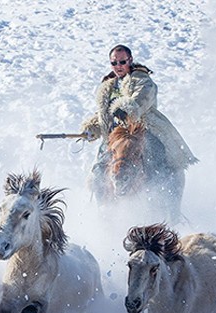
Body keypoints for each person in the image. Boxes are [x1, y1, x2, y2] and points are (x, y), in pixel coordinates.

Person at [80, 45, 197, 220]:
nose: (118, 66)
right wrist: (92, 128)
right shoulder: (108, 87)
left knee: (163, 169)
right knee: (98, 172)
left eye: (122, 61)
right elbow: (104, 115)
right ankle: (104, 211)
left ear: (130, 61)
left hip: (141, 131)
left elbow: (142, 99)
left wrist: (127, 109)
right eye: (114, 62)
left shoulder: (142, 80)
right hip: (114, 138)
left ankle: (171, 214)